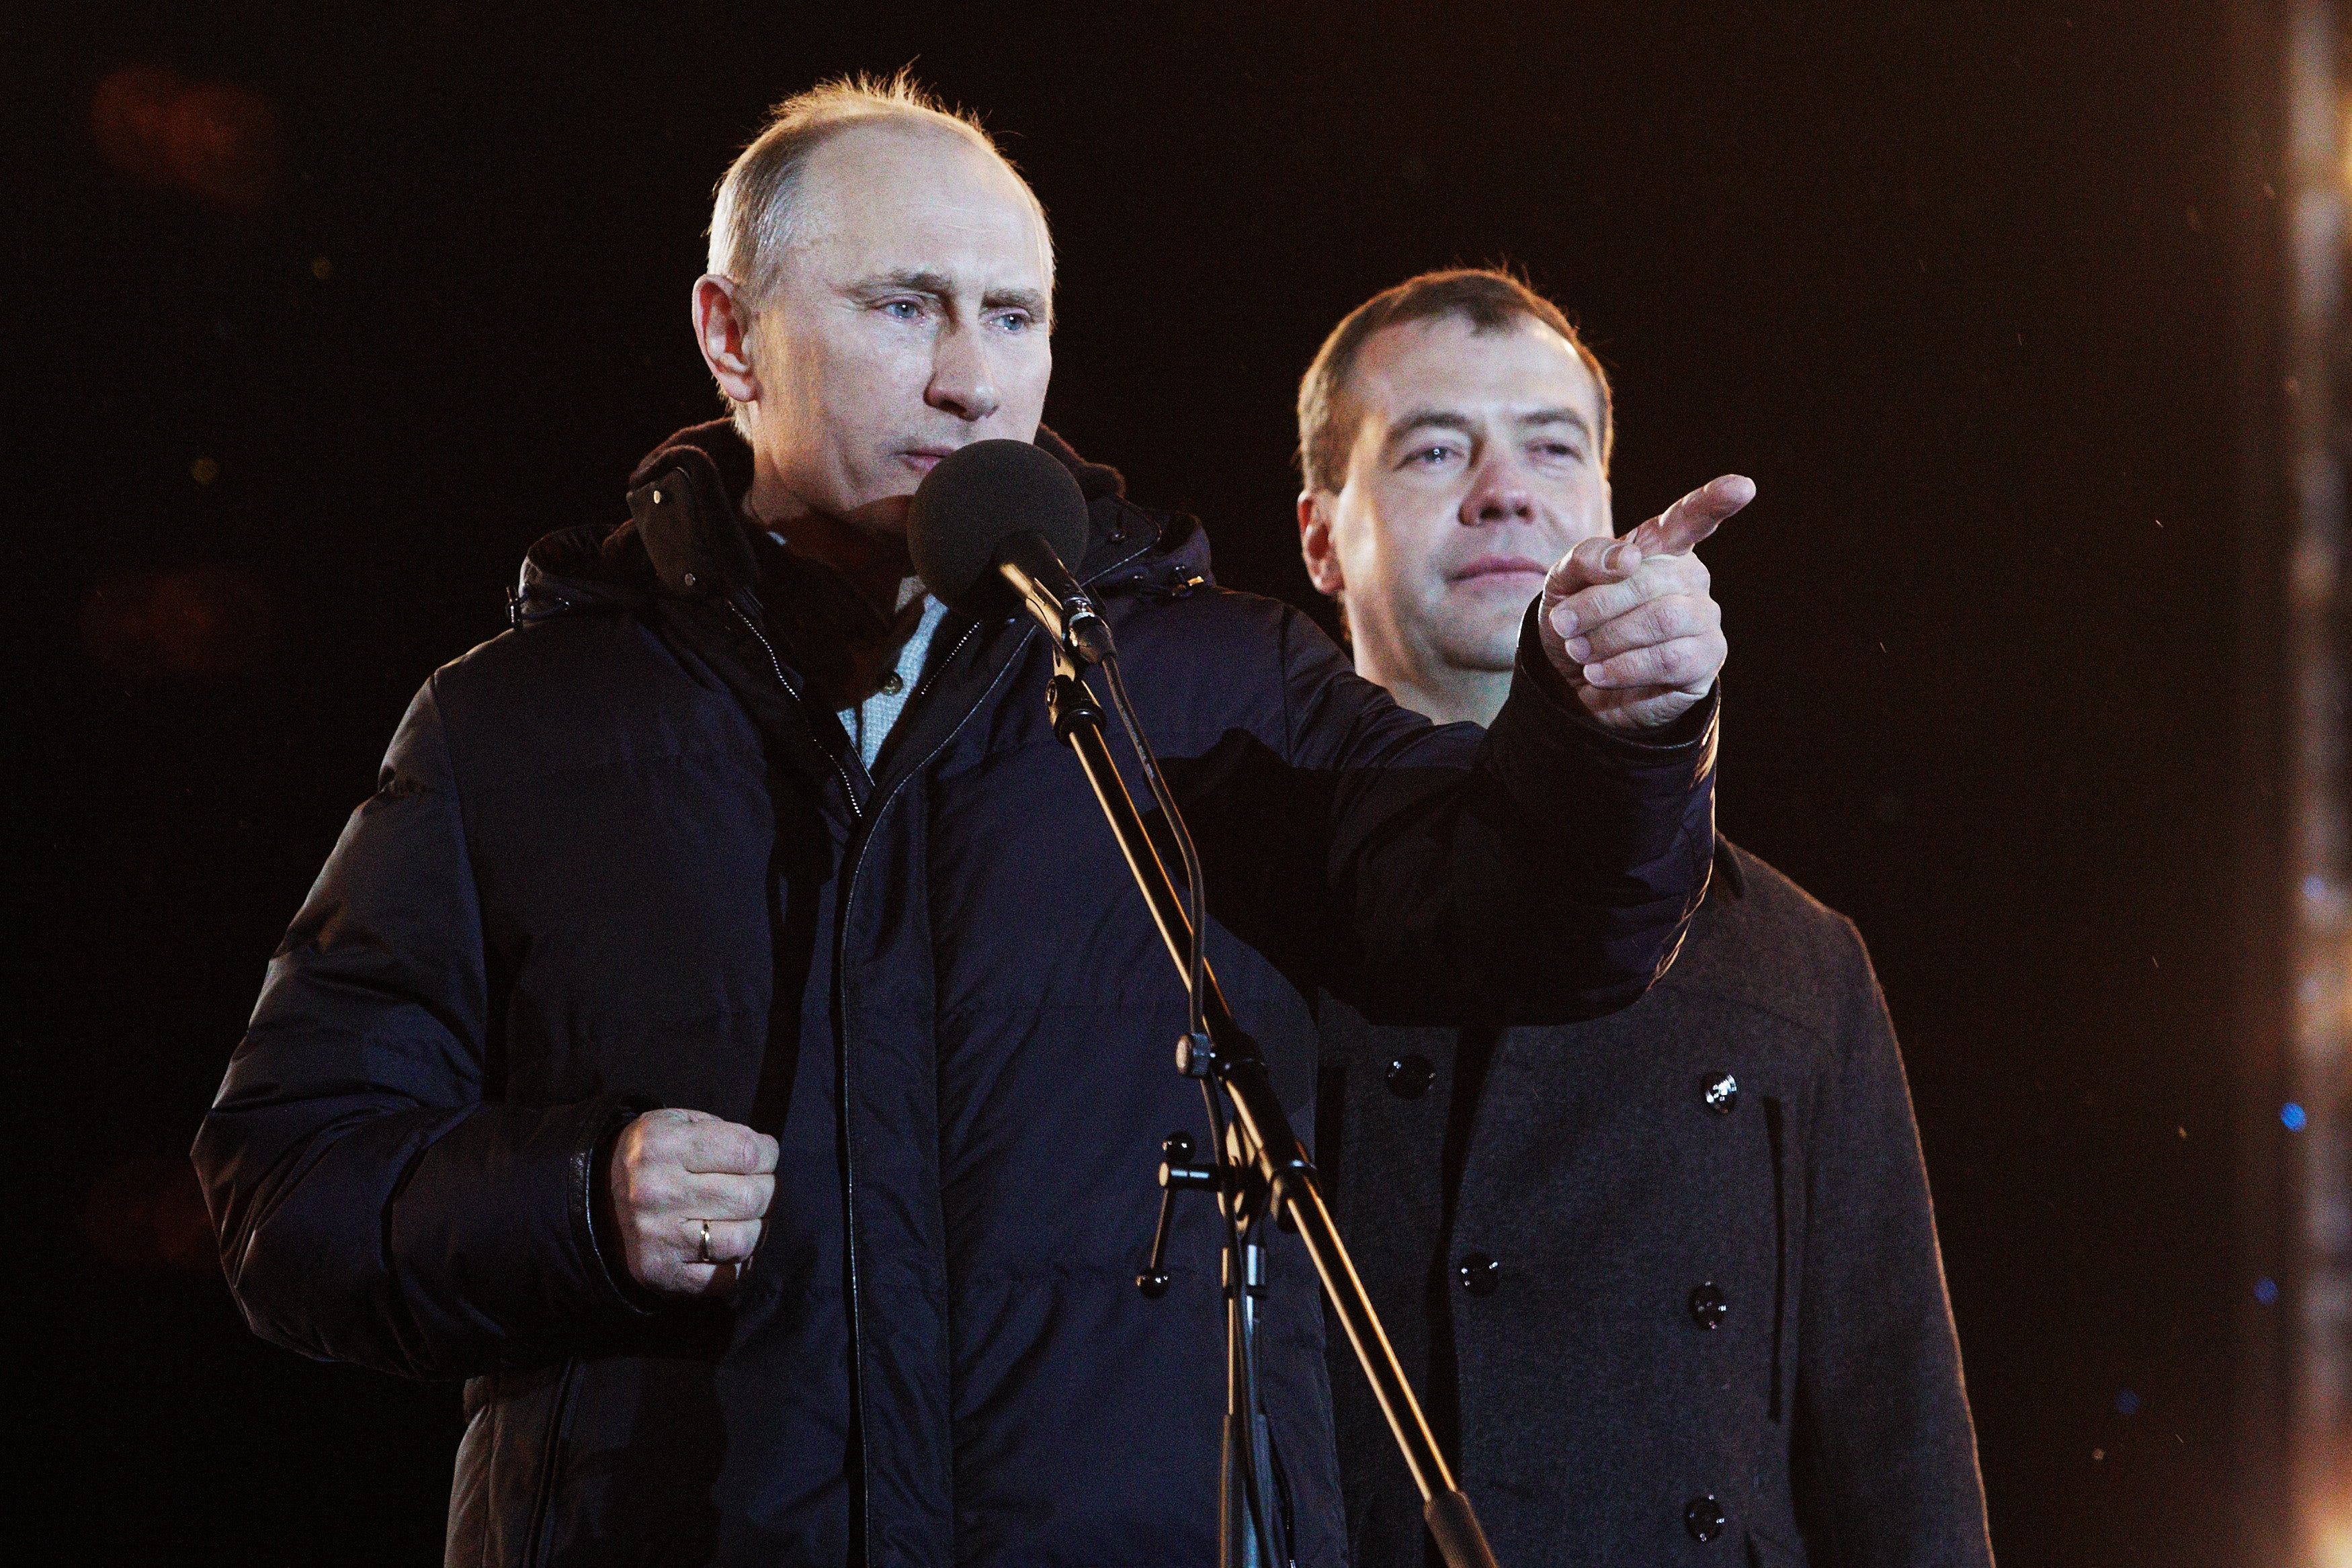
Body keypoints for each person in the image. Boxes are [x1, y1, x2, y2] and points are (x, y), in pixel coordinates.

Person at [193, 81, 1734, 1567]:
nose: (970, 379)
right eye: (901, 306)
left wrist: (1619, 731)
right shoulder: (518, 726)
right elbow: (287, 1193)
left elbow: (1530, 924)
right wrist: (578, 1200)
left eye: (1013, 319)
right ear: (732, 338)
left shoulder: (1211, 681)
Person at [1296, 267, 1993, 1567]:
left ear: (1607, 509)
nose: (1504, 487)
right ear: (1322, 534)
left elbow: (1900, 1454)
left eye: (1551, 446)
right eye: (1436, 447)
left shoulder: (1798, 959)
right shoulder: (1223, 914)